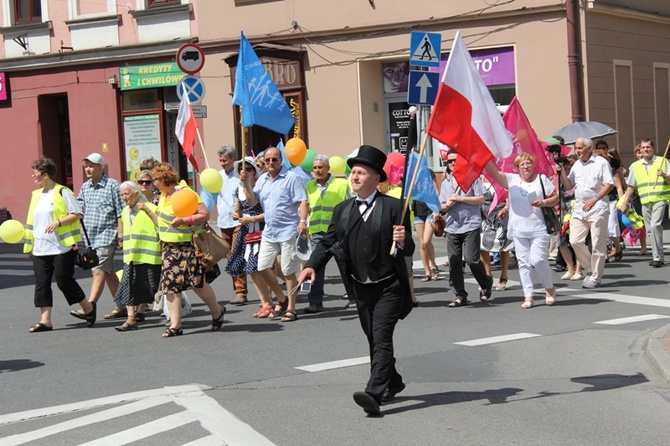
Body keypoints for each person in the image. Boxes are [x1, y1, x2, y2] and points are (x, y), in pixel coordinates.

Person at [297, 145, 414, 416]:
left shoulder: (395, 207)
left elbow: (406, 250)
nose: (355, 176)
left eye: (362, 172)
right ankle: (392, 380)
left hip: (389, 286)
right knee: (373, 338)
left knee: (382, 338)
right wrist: (312, 265)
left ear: (376, 178)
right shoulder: (343, 210)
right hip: (360, 287)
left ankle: (373, 393)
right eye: (354, 172)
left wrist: (403, 239)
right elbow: (328, 241)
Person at [152, 163, 226, 337]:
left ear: (163, 178)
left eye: (155, 179)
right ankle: (175, 325)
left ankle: (217, 311)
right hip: (169, 247)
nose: (153, 183)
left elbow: (204, 214)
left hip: (188, 246)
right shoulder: (163, 196)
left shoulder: (185, 194)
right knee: (170, 286)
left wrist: (185, 219)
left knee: (197, 283)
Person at [24, 158, 96, 332]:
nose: (33, 175)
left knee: (64, 281)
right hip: (40, 247)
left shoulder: (63, 192)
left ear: (45, 174)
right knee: (42, 283)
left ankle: (88, 308)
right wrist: (29, 246)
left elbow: (77, 214)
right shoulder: (35, 195)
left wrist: (58, 222)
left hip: (61, 246)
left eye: (35, 172)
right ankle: (45, 320)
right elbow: (31, 222)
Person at [486, 154, 558, 308]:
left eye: (528, 163)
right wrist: (486, 158)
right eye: (522, 165)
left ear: (533, 165)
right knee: (523, 263)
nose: (526, 167)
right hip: (519, 228)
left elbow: (555, 198)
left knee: (538, 259)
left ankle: (549, 288)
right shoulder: (512, 180)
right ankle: (528, 295)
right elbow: (495, 173)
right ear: (517, 168)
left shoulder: (541, 179)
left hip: (539, 227)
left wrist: (544, 202)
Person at [247, 147, 308, 323]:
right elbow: (252, 201)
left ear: (281, 160)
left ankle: (291, 309)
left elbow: (302, 200)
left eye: (275, 159)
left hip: (288, 230)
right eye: (268, 160)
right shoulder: (262, 181)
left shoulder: (291, 178)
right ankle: (281, 298)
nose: (271, 163)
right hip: (270, 231)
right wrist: (246, 183)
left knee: (288, 271)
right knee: (261, 266)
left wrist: (302, 221)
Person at [227, 156, 286, 318]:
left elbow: (256, 206)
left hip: (261, 229)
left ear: (254, 171)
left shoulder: (260, 187)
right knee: (251, 269)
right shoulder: (238, 189)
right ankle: (266, 302)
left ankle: (280, 297)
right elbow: (239, 209)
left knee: (265, 267)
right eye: (241, 169)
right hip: (247, 231)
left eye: (248, 169)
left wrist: (252, 218)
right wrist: (236, 215)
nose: (243, 172)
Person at [70, 153, 125, 321]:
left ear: (101, 167)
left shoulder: (112, 185)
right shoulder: (85, 187)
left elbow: (121, 211)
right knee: (108, 272)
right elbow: (79, 210)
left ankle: (90, 306)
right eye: (86, 166)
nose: (88, 169)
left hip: (106, 235)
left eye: (91, 166)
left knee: (98, 271)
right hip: (90, 238)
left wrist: (121, 234)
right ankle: (123, 306)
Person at [556, 137, 614, 288]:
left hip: (598, 207)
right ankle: (591, 268)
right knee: (575, 240)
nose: (577, 151)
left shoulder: (601, 162)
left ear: (589, 148)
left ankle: (596, 277)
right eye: (576, 148)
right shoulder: (576, 165)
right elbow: (569, 187)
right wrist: (561, 172)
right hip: (580, 208)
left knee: (597, 244)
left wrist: (595, 199)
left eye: (580, 148)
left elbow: (609, 184)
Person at [439, 151, 493, 306]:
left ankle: (485, 283)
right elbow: (441, 206)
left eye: (456, 160)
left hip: (470, 224)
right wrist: (446, 206)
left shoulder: (473, 177)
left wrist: (461, 198)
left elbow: (482, 199)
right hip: (452, 226)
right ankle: (460, 295)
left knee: (471, 259)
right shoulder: (446, 183)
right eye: (450, 161)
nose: (453, 164)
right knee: (454, 261)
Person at [303, 154, 355, 313]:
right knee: (313, 266)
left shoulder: (342, 183)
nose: (317, 171)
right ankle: (314, 302)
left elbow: (352, 204)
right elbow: (307, 207)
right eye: (315, 168)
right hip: (317, 233)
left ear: (328, 168)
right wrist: (303, 223)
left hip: (338, 233)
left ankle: (354, 299)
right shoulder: (309, 186)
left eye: (320, 167)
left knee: (346, 266)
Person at [111, 181, 161, 331]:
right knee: (128, 286)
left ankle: (139, 312)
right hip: (131, 256)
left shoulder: (151, 209)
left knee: (147, 287)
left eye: (126, 194)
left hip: (149, 256)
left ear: (136, 193)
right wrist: (120, 238)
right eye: (122, 195)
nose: (124, 197)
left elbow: (161, 227)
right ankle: (131, 318)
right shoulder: (125, 211)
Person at [619, 138, 670, 268]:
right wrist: (625, 202)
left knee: (654, 225)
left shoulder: (662, 161)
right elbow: (630, 186)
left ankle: (658, 257)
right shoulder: (636, 166)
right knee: (650, 230)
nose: (646, 149)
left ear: (652, 148)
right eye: (643, 147)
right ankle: (656, 256)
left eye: (648, 147)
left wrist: (664, 175)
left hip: (660, 199)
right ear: (640, 150)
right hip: (645, 201)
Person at [216, 145, 247, 305]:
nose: (222, 163)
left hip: (238, 221)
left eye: (225, 160)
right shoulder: (217, 176)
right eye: (220, 160)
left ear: (233, 159)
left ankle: (241, 291)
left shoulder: (240, 176)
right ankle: (237, 289)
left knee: (236, 255)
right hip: (223, 222)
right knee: (229, 258)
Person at [593, 142, 625, 262]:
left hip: (611, 201)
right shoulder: (592, 168)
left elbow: (619, 186)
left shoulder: (611, 167)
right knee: (601, 228)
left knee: (611, 226)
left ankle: (617, 247)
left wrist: (622, 202)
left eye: (603, 149)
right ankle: (605, 252)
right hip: (597, 202)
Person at [479, 179, 512, 291]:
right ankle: (488, 274)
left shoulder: (500, 178)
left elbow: (509, 198)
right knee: (483, 246)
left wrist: (505, 208)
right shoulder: (479, 178)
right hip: (484, 217)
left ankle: (503, 276)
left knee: (502, 247)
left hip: (501, 217)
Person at [555, 155, 584, 281]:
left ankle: (579, 269)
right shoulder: (557, 182)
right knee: (562, 242)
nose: (567, 171)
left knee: (577, 243)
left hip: (576, 214)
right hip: (562, 214)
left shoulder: (577, 182)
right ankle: (570, 268)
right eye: (565, 169)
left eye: (568, 169)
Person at [412, 170, 440, 283]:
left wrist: (437, 210)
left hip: (430, 211)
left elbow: (437, 192)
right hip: (418, 212)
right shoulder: (412, 175)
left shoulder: (428, 172)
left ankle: (434, 266)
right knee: (421, 244)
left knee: (426, 241)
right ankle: (427, 271)